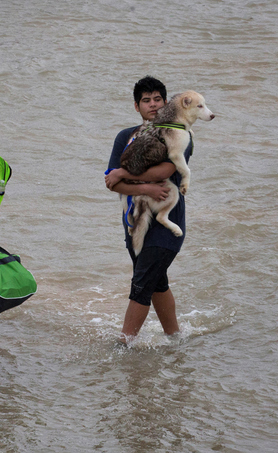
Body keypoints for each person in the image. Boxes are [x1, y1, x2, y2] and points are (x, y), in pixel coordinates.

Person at [104, 75, 184, 344]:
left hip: (167, 225)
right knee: (156, 281)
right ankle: (175, 339)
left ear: (166, 104)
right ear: (136, 106)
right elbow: (111, 182)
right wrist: (145, 188)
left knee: (141, 282)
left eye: (158, 99)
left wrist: (126, 174)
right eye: (146, 100)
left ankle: (124, 344)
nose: (152, 105)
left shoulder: (178, 133)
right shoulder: (125, 137)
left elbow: (167, 169)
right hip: (135, 223)